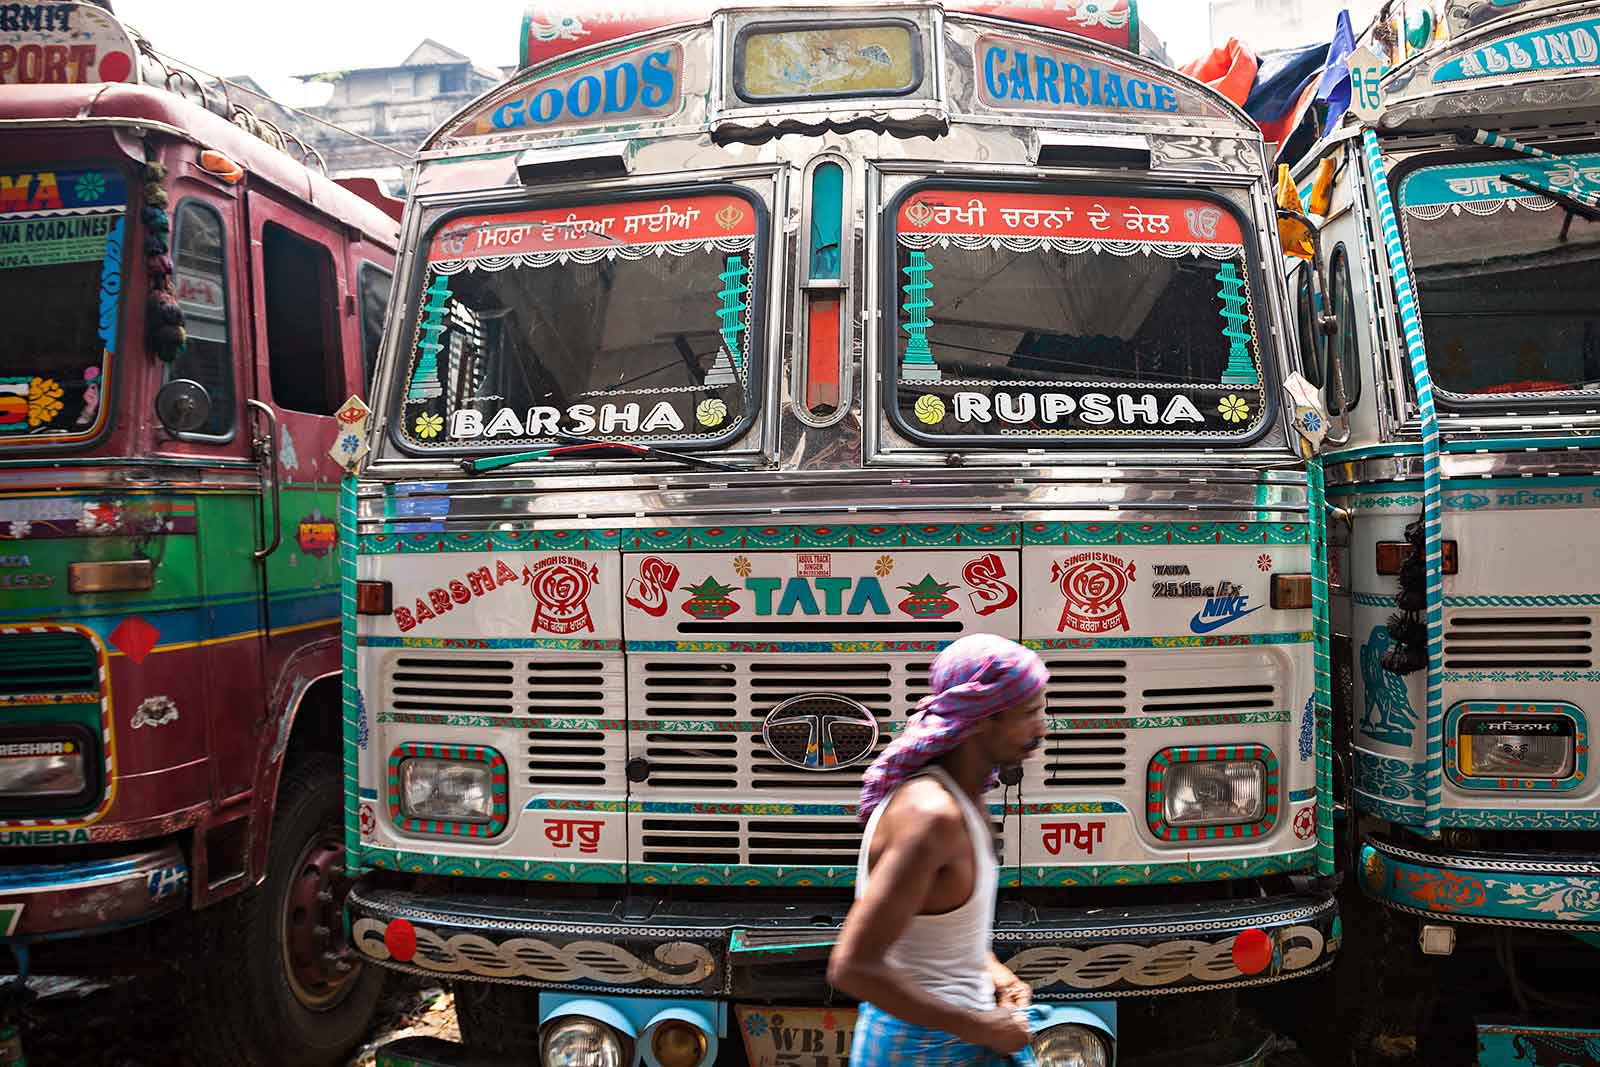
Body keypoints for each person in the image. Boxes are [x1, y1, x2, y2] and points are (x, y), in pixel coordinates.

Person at [828, 634, 1049, 1066]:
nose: (1039, 730)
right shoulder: (931, 817)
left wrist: (996, 974)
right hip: (914, 1051)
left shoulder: (964, 800)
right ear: (984, 719)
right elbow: (853, 966)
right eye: (1029, 714)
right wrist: (982, 1026)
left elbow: (935, 931)